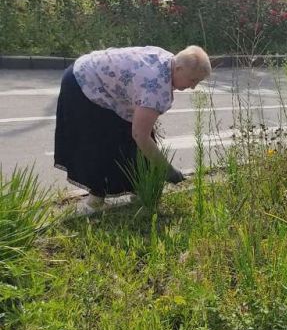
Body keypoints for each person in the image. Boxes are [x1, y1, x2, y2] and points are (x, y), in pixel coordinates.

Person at [55, 45, 212, 214]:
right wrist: (167, 169)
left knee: (129, 138)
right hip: (83, 84)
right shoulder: (155, 88)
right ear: (179, 68)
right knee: (103, 142)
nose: (194, 86)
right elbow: (140, 135)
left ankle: (139, 192)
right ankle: (94, 204)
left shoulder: (168, 60)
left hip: (93, 76)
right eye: (193, 80)